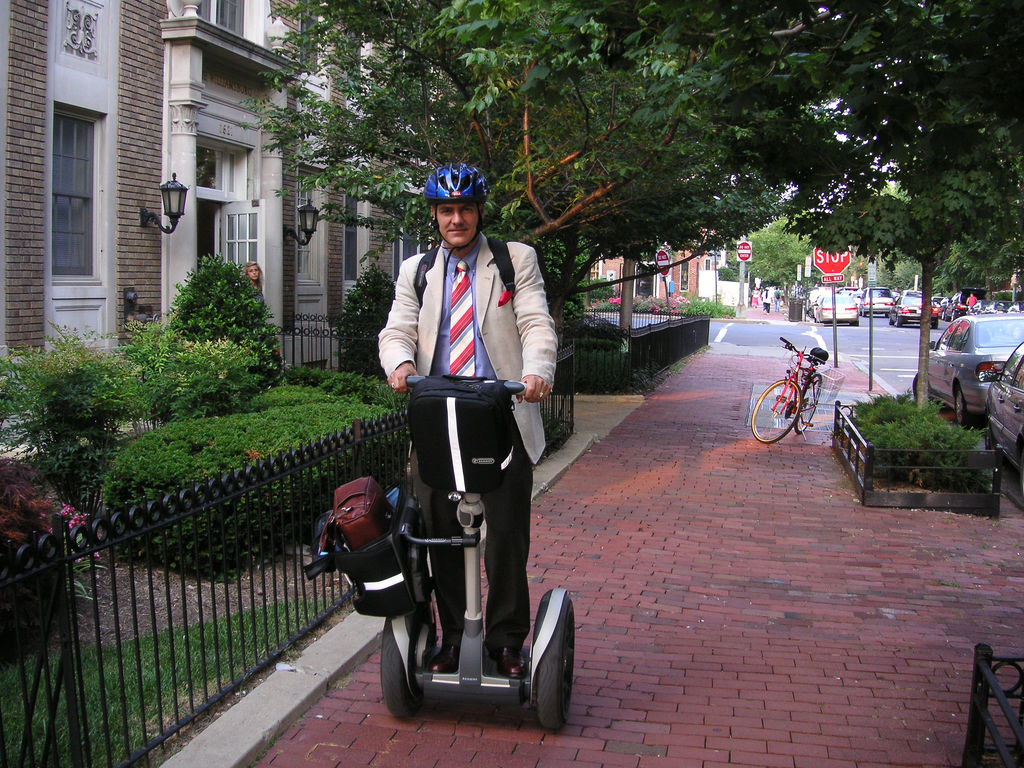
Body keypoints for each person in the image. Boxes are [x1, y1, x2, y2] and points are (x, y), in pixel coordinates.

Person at [378, 163, 558, 679]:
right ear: (435, 216)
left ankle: (504, 640)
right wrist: (401, 364)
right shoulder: (417, 270)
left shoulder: (513, 260)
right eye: (446, 210)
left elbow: (535, 321)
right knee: (439, 533)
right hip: (438, 417)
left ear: (479, 212)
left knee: (504, 536)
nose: (455, 219)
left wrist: (537, 370)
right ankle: (454, 638)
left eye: (464, 209)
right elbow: (397, 329)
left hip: (500, 413)